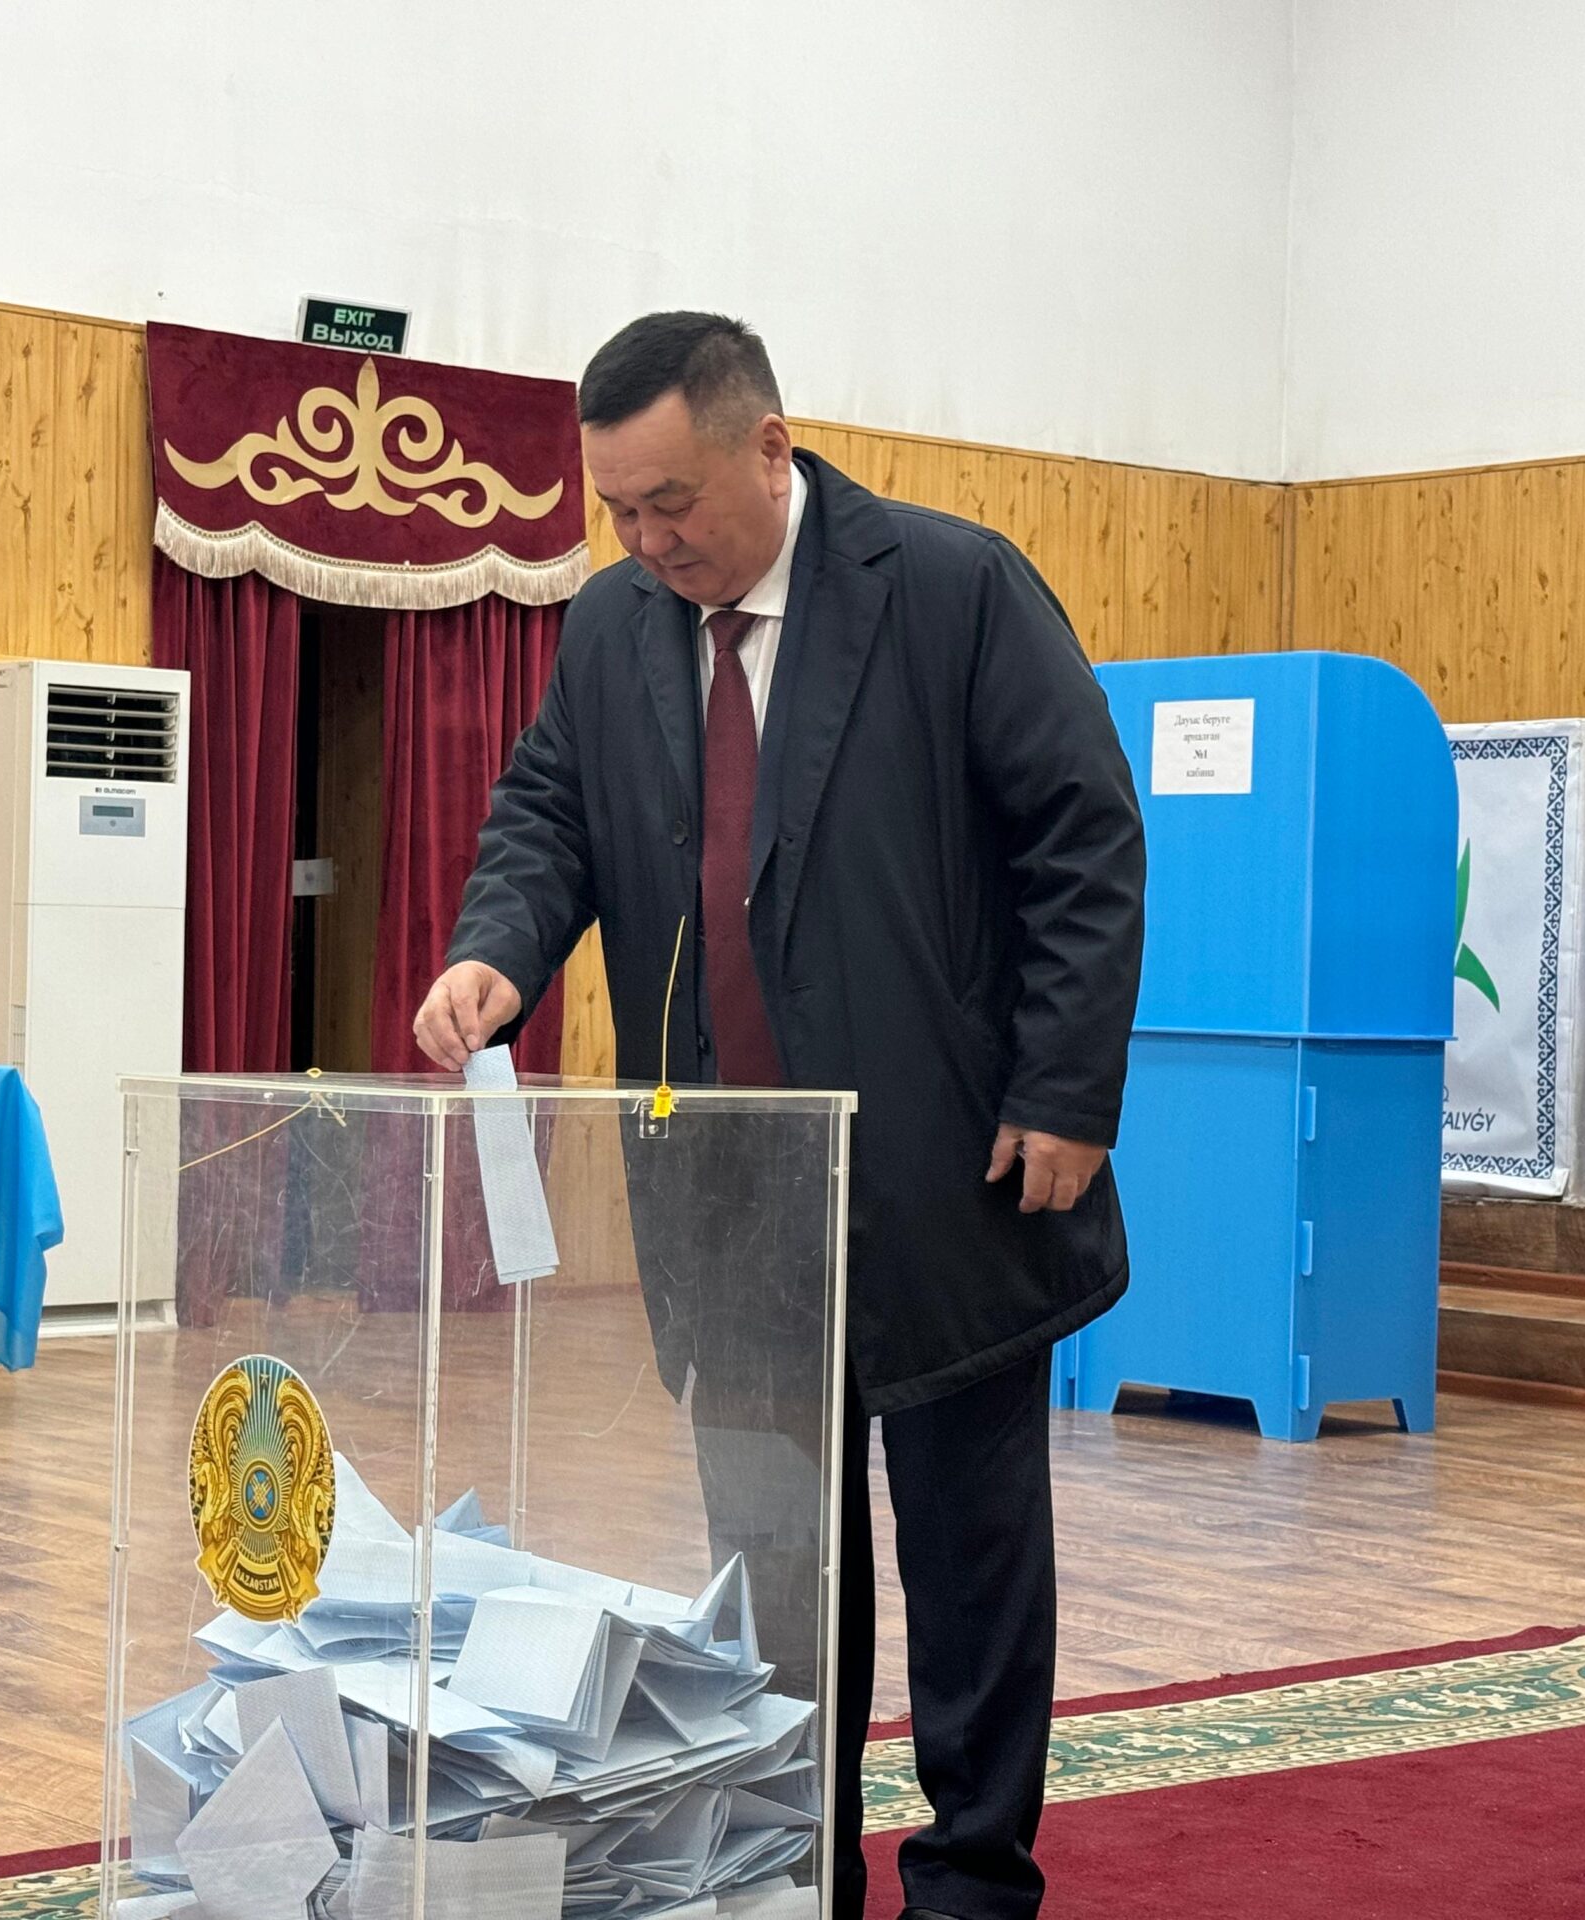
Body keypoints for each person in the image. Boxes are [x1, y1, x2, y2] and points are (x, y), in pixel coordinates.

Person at [414, 312, 1146, 1920]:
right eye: (618, 509)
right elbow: (550, 811)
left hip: (947, 1170)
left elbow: (1082, 841)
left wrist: (1063, 1089)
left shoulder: (950, 588)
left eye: (671, 502)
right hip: (730, 1194)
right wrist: (496, 950)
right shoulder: (613, 625)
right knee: (778, 1583)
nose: (646, 540)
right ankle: (795, 1873)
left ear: (769, 447)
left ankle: (970, 1883)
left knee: (968, 1565)